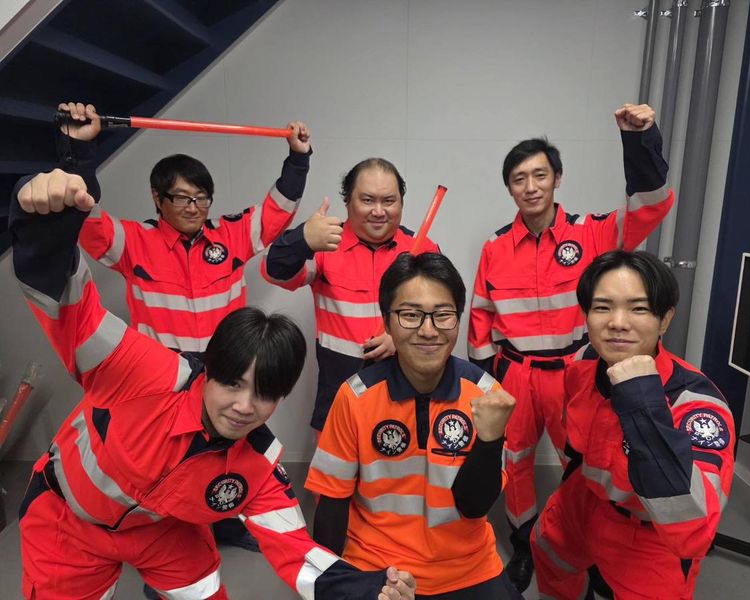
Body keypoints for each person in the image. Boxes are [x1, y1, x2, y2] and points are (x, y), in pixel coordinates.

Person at [10, 168, 416, 600]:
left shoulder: (258, 462)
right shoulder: (140, 370)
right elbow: (69, 305)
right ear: (207, 370)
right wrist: (41, 223)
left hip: (165, 531)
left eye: (265, 393)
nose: (244, 406)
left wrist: (371, 588)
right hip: (71, 517)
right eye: (232, 384)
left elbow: (297, 551)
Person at [57, 101, 330, 554]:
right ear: (157, 198)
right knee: (169, 465)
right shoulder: (134, 242)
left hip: (225, 375)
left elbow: (276, 211)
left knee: (226, 457)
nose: (194, 207)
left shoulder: (230, 235)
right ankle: (168, 540)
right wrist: (79, 154)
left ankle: (224, 523)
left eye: (202, 198)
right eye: (182, 198)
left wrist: (298, 158)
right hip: (164, 384)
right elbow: (85, 218)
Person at [467, 103, 675, 591]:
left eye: (540, 175)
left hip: (576, 372)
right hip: (516, 375)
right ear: (509, 188)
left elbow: (650, 205)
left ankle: (585, 546)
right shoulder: (495, 247)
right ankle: (524, 543)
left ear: (557, 178)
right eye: (519, 179)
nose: (530, 186)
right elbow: (481, 316)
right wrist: (487, 381)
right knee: (515, 463)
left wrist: (639, 140)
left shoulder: (594, 232)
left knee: (583, 462)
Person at [306, 252, 522, 599]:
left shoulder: (486, 395)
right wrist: (327, 583)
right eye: (410, 315)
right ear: (387, 322)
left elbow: (474, 505)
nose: (428, 330)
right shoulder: (355, 396)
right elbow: (332, 502)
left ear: (458, 319)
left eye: (443, 315)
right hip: (376, 565)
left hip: (468, 567)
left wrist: (489, 440)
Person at [531, 250, 735, 599]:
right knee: (549, 553)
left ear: (665, 319)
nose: (618, 322)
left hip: (649, 533)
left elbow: (693, 530)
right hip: (582, 500)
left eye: (638, 309)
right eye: (602, 307)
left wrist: (642, 400)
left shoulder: (696, 405)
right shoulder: (584, 364)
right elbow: (575, 443)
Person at [263, 158, 438, 432]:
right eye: (367, 200)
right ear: (347, 201)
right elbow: (274, 271)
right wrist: (302, 239)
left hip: (407, 395)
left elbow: (442, 316)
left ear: (401, 203)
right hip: (338, 397)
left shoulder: (423, 248)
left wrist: (403, 338)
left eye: (389, 201)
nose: (378, 211)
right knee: (332, 461)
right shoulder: (324, 244)